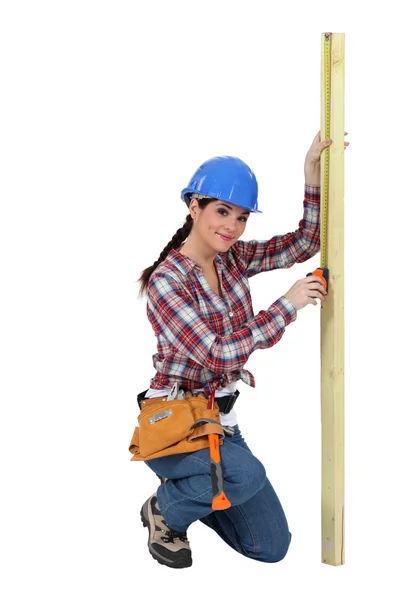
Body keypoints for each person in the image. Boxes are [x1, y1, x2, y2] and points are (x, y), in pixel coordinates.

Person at [134, 131, 349, 569]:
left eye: (242, 217)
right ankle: (167, 509)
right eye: (221, 211)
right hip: (179, 426)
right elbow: (218, 356)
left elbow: (303, 245)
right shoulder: (168, 282)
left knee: (270, 546)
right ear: (194, 207)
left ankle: (207, 494)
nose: (231, 226)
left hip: (220, 422)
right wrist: (288, 305)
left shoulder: (231, 259)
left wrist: (311, 172)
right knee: (245, 474)